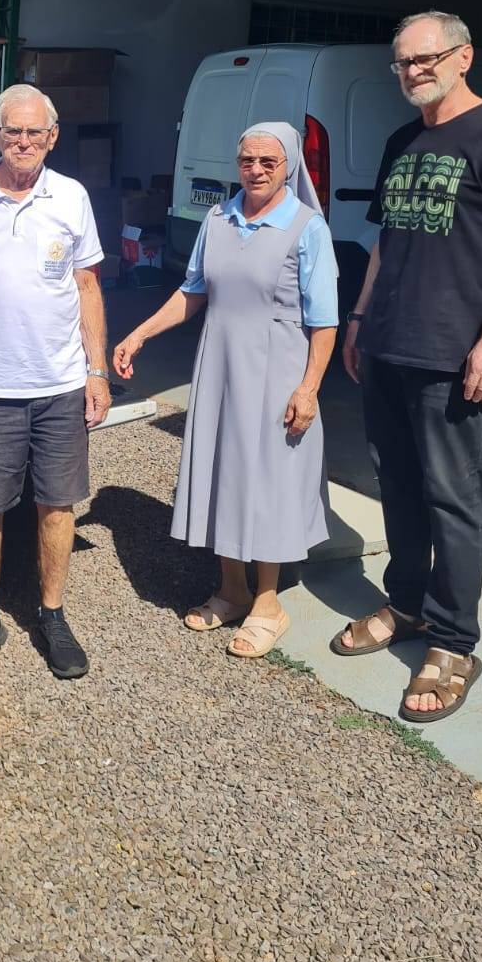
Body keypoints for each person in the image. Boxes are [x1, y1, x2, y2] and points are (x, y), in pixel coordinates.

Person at [337, 12, 482, 722]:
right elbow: (387, 239)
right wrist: (360, 319)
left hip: (455, 351)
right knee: (401, 487)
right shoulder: (403, 139)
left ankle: (454, 640)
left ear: (463, 55)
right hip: (388, 341)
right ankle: (409, 605)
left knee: (454, 496)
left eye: (425, 59)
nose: (413, 71)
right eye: (402, 63)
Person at [114, 122, 338, 657]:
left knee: (267, 481)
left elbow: (325, 321)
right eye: (247, 161)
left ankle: (268, 602)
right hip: (219, 366)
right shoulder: (218, 218)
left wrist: (308, 388)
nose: (256, 171)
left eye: (268, 161)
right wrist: (139, 333)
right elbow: (193, 290)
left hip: (277, 370)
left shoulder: (307, 228)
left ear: (288, 166)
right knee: (222, 472)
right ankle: (232, 590)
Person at [0, 83, 110, 681]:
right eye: (14, 131)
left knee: (57, 505)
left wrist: (96, 370)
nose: (25, 141)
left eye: (36, 132)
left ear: (53, 137)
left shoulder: (73, 197)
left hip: (59, 384)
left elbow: (87, 286)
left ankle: (52, 614)